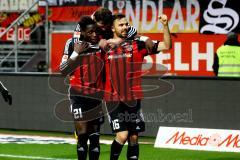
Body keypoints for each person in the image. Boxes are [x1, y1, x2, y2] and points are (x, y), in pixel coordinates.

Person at [104, 13, 171, 160]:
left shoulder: (137, 44)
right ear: (112, 28)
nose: (125, 27)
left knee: (134, 137)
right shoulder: (105, 46)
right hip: (113, 98)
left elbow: (166, 45)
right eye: (121, 25)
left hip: (133, 98)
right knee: (122, 135)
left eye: (126, 24)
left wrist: (165, 25)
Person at [59, 16, 104, 160]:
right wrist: (76, 53)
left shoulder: (101, 44)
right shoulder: (72, 44)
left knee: (95, 137)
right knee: (83, 134)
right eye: (90, 32)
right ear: (83, 33)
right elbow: (63, 70)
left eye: (96, 31)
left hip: (96, 96)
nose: (94, 35)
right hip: (78, 96)